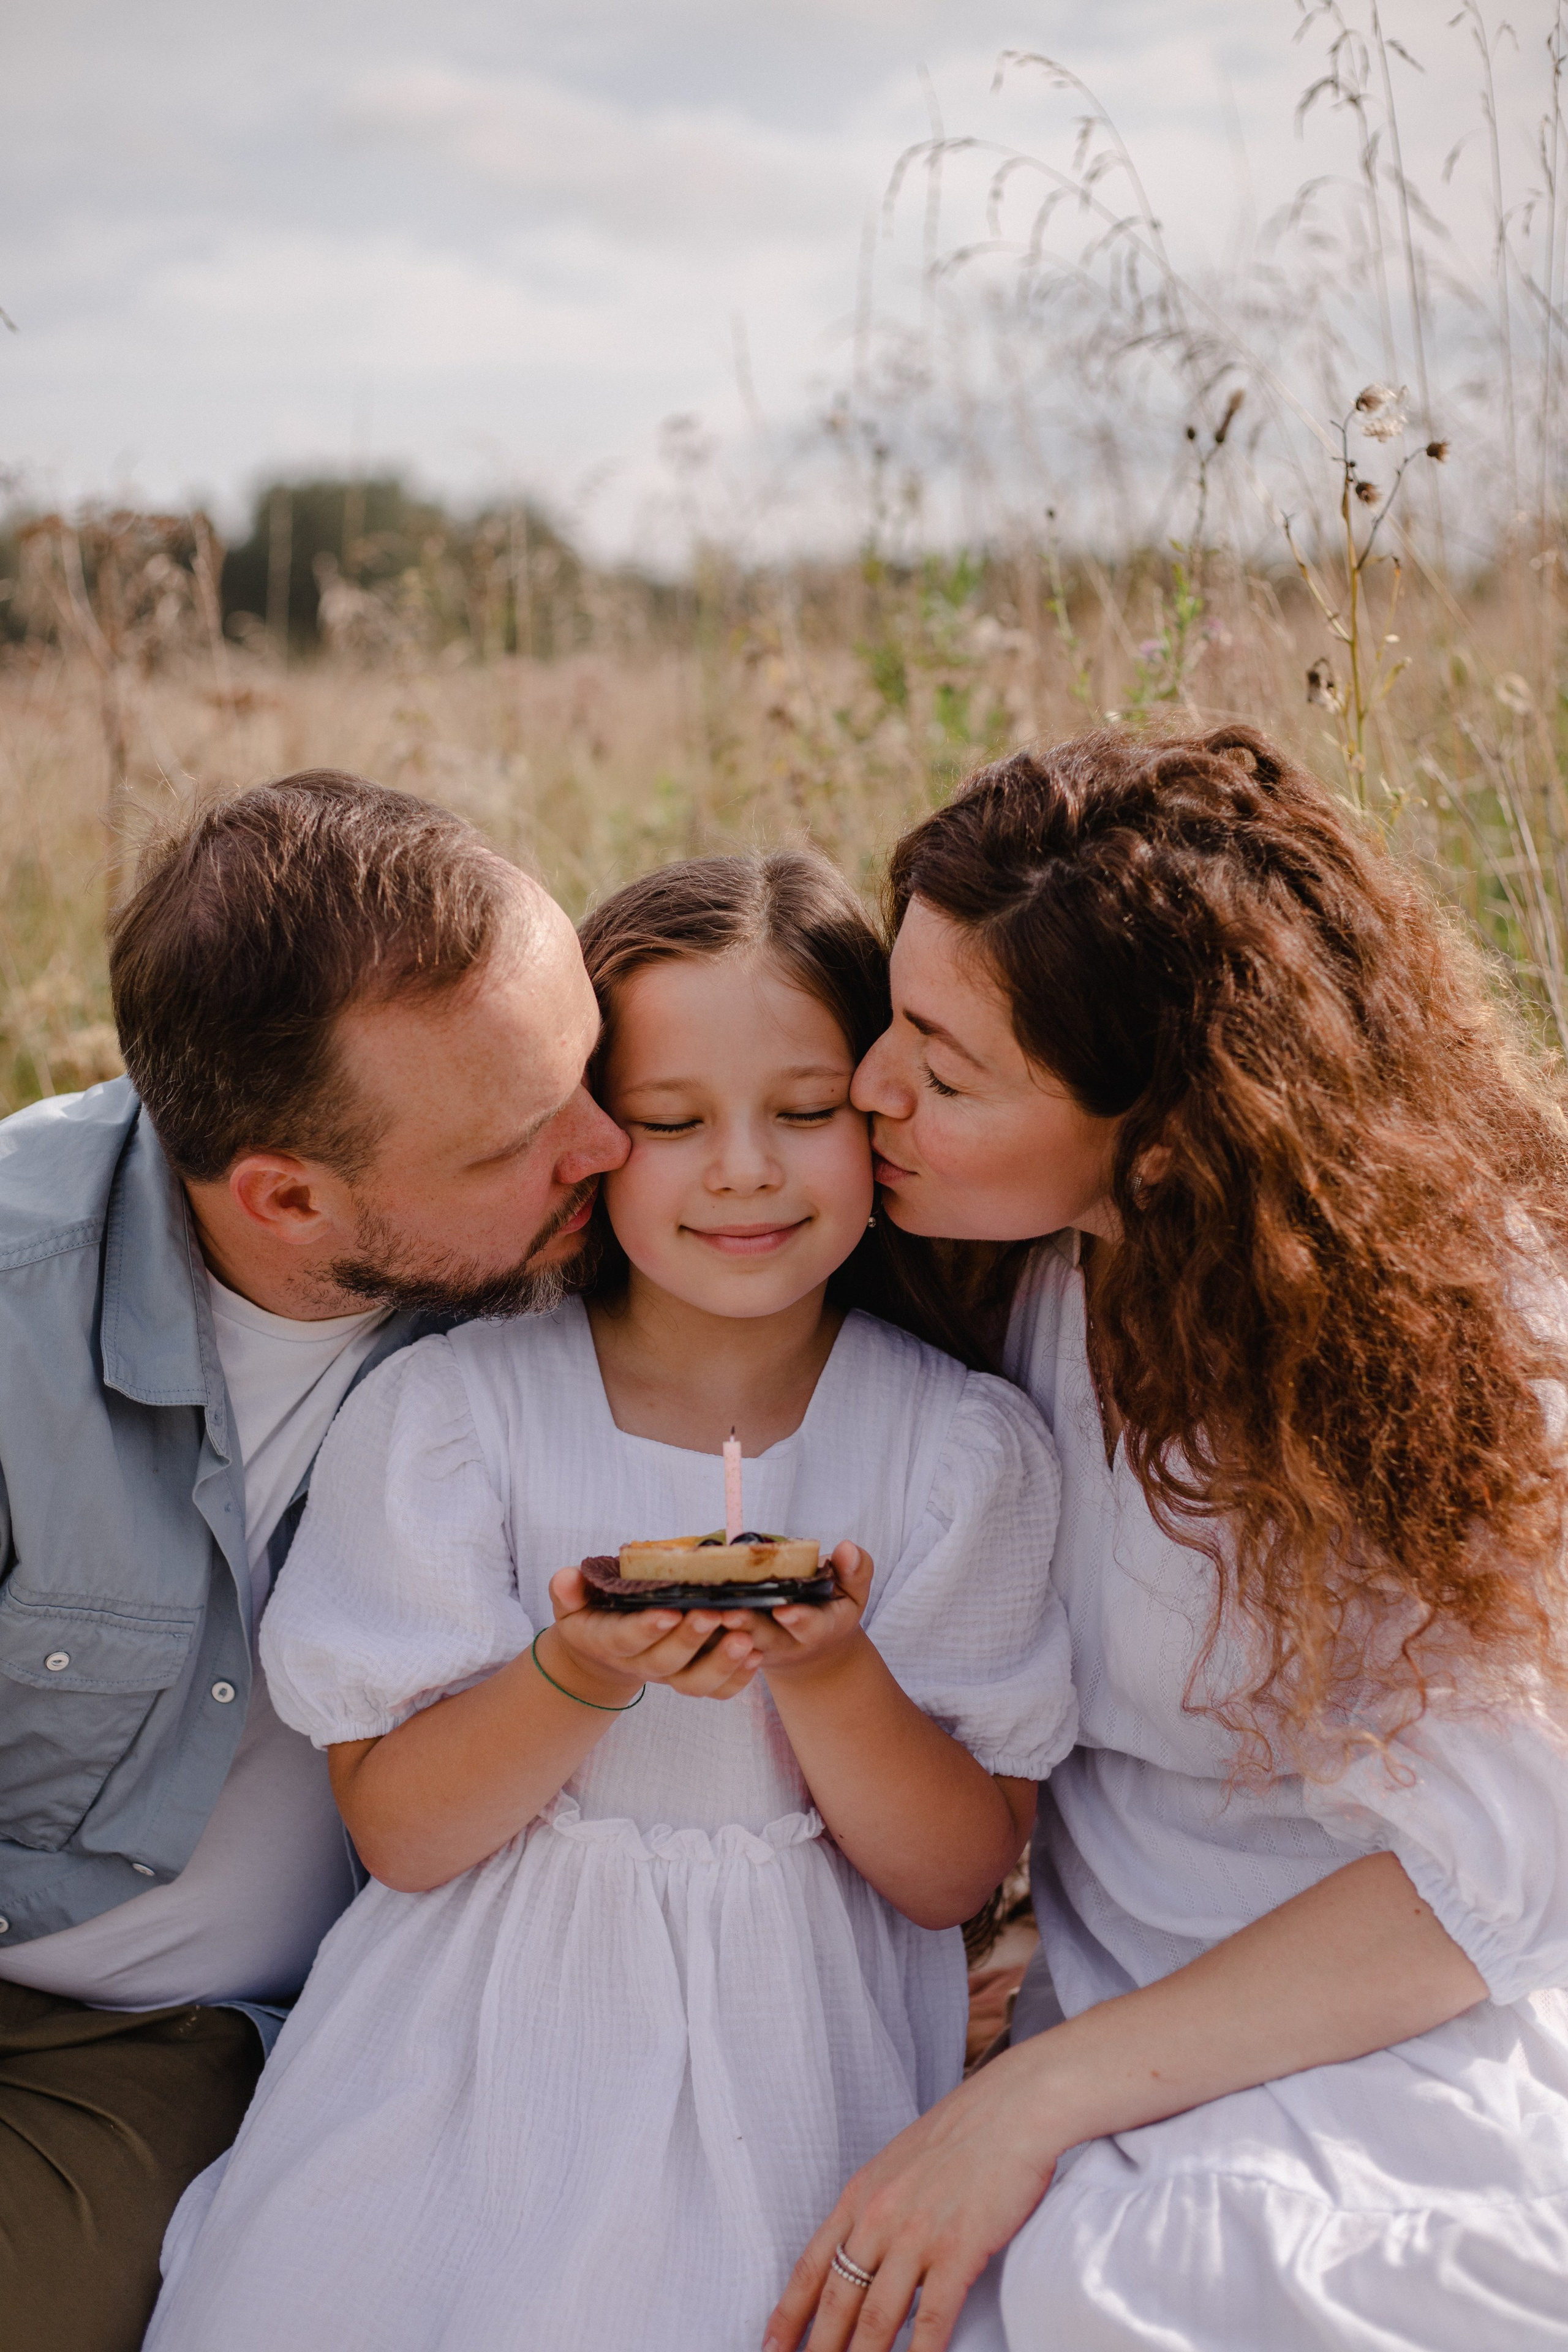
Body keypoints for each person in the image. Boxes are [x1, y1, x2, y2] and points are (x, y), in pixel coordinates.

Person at [143, 850, 1077, 2352]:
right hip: (465, 2077)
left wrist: (834, 1680)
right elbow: (405, 1834)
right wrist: (575, 1675)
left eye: (804, 1111)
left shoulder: (954, 1450)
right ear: (588, 1136)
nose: (744, 1169)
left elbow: (951, 1876)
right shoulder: (457, 1420)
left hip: (798, 2086)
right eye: (669, 1123)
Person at [767, 725, 1568, 2352]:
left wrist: (1028, 2101)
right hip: (1111, 1999)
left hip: (1385, 2017)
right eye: (891, 1024)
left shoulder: (1449, 1330)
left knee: (1207, 2291)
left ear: (1173, 1128)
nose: (872, 1089)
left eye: (944, 1060)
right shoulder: (995, 1262)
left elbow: (1482, 1879)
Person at [0, 772, 627, 2352]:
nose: (610, 1145)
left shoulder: (618, 1251)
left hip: (146, 2040)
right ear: (286, 1196)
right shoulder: (15, 1304)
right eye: (520, 1138)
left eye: (590, 1073)